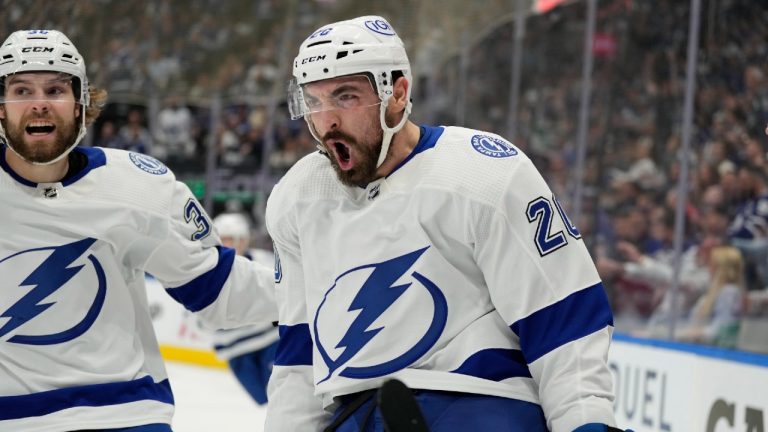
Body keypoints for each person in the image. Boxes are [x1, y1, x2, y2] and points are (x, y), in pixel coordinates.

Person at [265, 15, 624, 432]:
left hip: (483, 402)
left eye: (345, 97)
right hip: (357, 413)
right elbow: (298, 358)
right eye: (313, 101)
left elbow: (563, 320)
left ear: (397, 94)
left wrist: (587, 422)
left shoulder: (482, 172)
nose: (326, 120)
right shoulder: (299, 198)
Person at [0, 30, 276, 432]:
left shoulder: (135, 186)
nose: (40, 103)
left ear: (79, 104)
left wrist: (312, 290)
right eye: (22, 90)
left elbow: (219, 289)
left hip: (124, 416)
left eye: (55, 89)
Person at [210, 211, 279, 405]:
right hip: (235, 351)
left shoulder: (264, 261)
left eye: (232, 239)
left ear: (244, 240)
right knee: (265, 401)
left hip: (270, 343)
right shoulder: (206, 271)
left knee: (282, 398)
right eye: (222, 239)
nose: (227, 245)